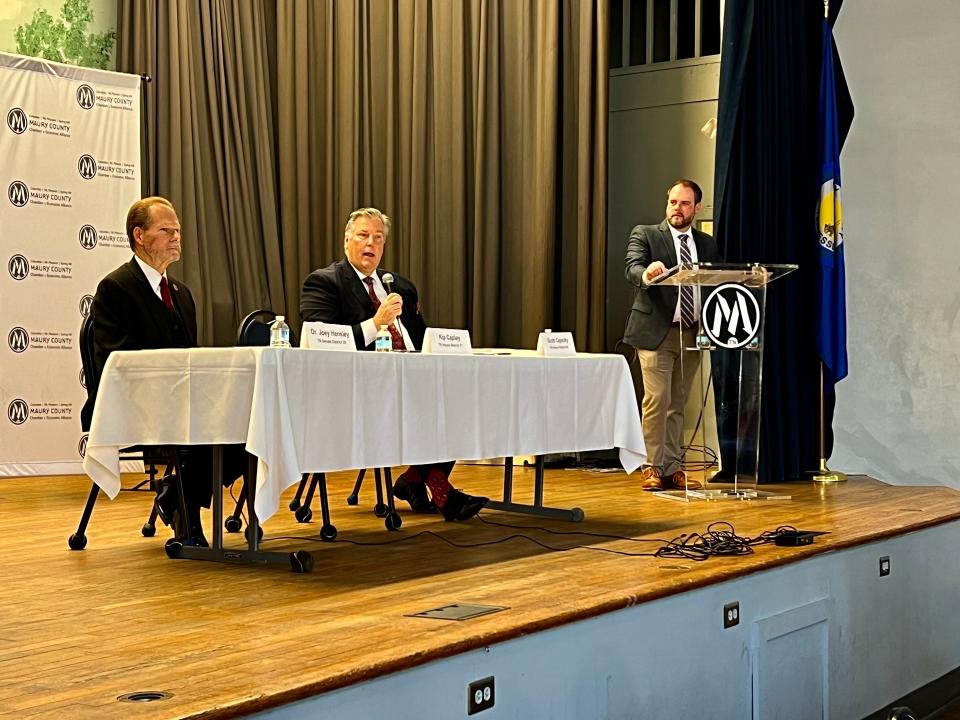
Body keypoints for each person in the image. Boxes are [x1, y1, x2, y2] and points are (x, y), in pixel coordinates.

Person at [300, 207, 487, 521]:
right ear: (346, 241)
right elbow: (321, 343)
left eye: (378, 237)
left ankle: (415, 479)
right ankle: (438, 490)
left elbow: (423, 337)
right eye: (363, 235)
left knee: (462, 398)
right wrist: (377, 322)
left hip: (414, 378)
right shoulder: (324, 283)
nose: (370, 243)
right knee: (432, 404)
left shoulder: (400, 285)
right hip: (358, 390)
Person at [81, 196, 247, 544]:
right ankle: (182, 503)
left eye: (179, 231)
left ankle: (178, 496)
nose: (176, 238)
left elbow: (190, 358)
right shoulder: (115, 288)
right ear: (139, 236)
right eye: (166, 230)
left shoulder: (182, 294)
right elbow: (115, 360)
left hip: (182, 401)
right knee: (210, 424)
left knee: (245, 421)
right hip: (133, 403)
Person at [623, 180, 720, 491]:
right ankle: (652, 466)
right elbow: (632, 267)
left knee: (678, 402)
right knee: (657, 400)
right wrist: (647, 274)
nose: (677, 209)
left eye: (684, 204)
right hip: (656, 333)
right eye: (673, 202)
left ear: (697, 208)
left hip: (692, 333)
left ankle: (673, 468)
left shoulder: (706, 245)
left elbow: (714, 284)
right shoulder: (647, 234)